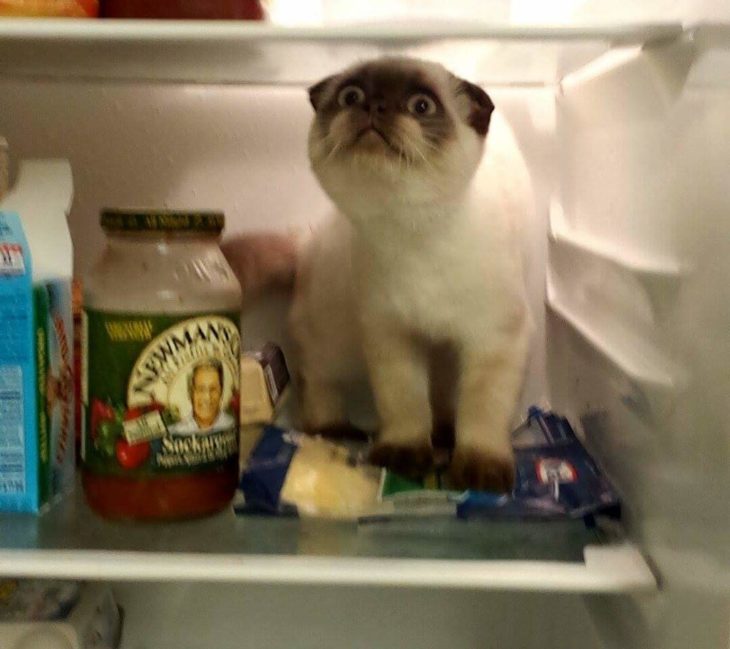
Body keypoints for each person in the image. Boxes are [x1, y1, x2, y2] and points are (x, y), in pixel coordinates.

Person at [169, 359, 234, 435]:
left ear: (221, 391)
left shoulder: (231, 424)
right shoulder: (177, 431)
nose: (207, 397)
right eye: (201, 389)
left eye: (213, 389)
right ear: (190, 393)